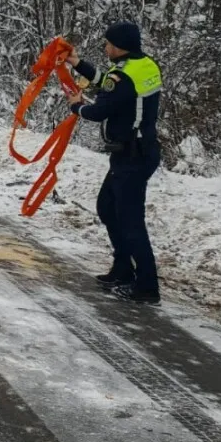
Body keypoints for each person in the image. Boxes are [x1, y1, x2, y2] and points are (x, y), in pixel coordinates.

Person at [66, 21, 163, 304]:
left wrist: (76, 105)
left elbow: (101, 109)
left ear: (119, 47)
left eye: (107, 44)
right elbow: (105, 81)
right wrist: (77, 62)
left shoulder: (125, 76)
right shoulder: (141, 64)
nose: (105, 47)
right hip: (134, 153)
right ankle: (123, 269)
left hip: (133, 155)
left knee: (131, 221)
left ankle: (146, 287)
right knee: (107, 208)